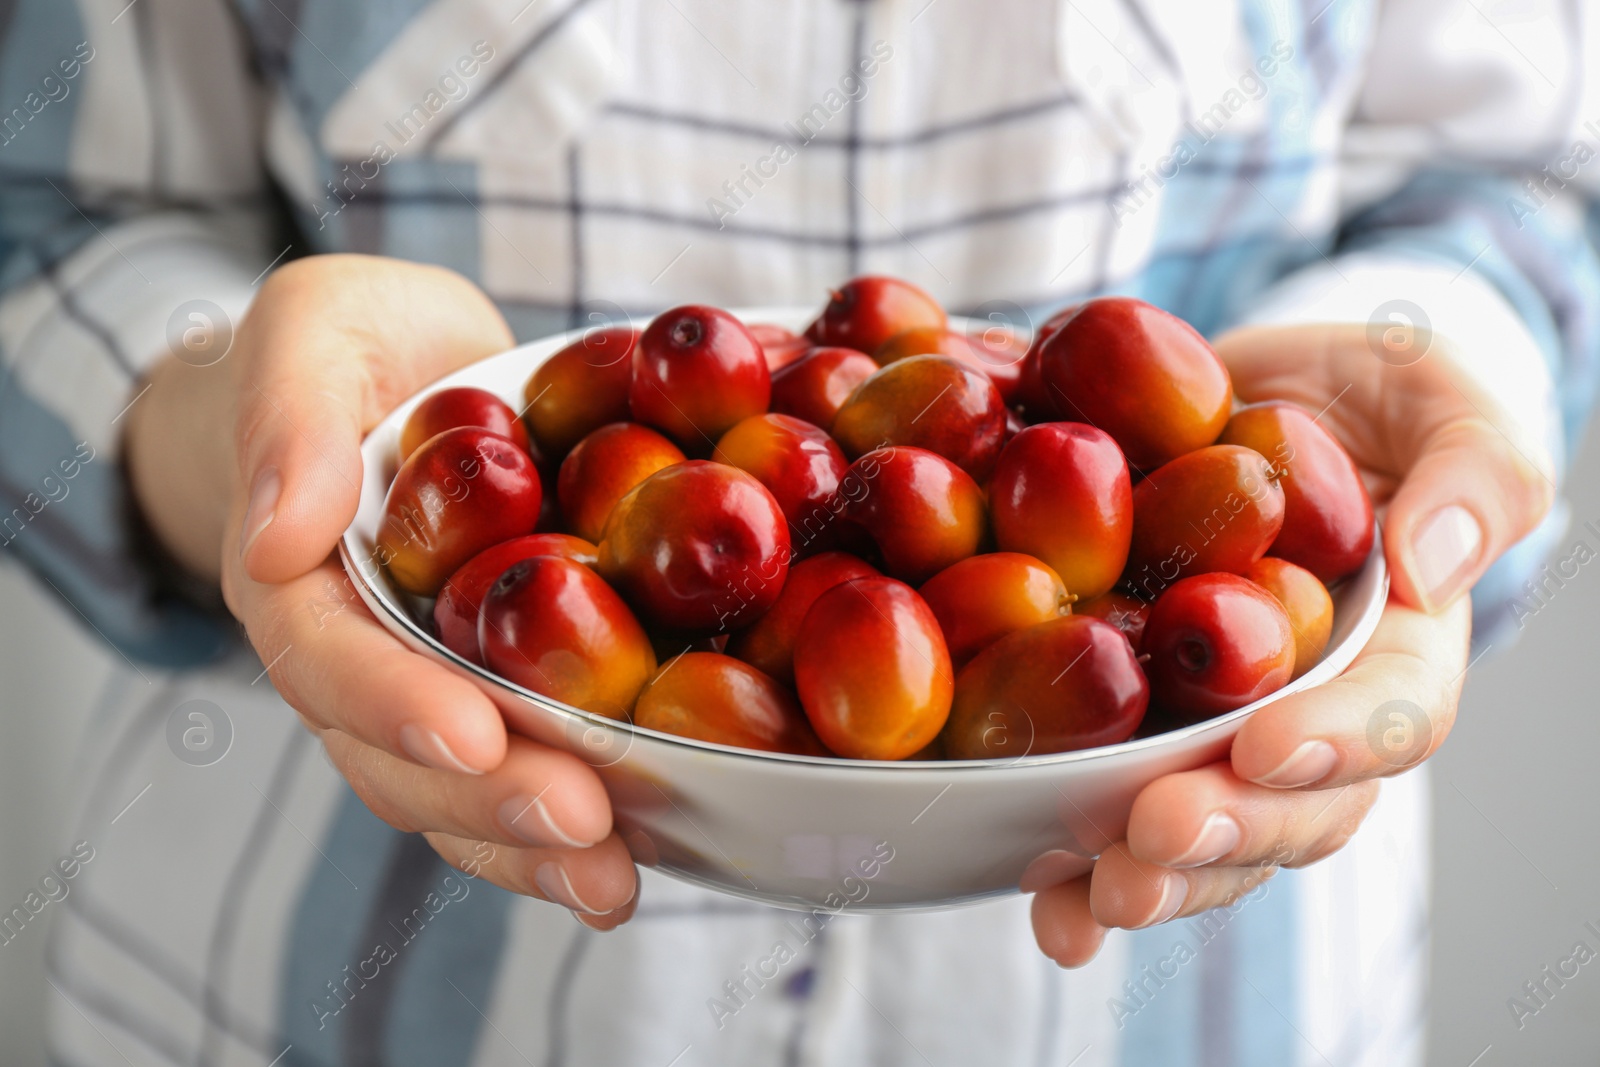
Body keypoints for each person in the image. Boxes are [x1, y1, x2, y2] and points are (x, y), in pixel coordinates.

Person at [1, 1, 1591, 1064]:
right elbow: (43, 218)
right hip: (309, 988)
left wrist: (1427, 378)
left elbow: (1527, 179)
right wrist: (243, 447)